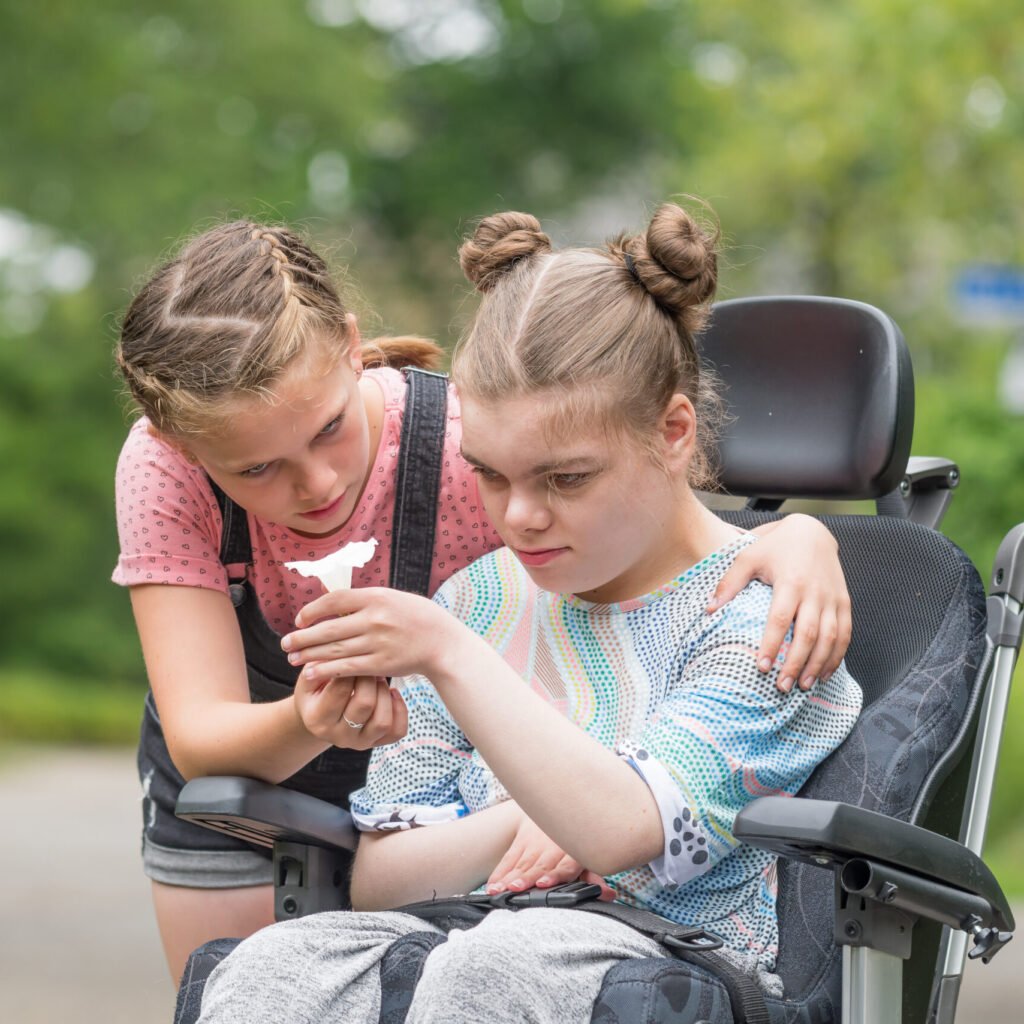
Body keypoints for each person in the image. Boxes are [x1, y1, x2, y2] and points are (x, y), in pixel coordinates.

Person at [113, 219, 851, 983]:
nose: (520, 514)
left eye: (559, 480)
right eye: (493, 477)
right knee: (260, 973)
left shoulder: (750, 615)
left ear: (351, 348)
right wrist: (510, 803)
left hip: (624, 953)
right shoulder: (477, 597)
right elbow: (375, 878)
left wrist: (804, 535)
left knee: (489, 968)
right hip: (364, 826)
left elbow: (650, 513)